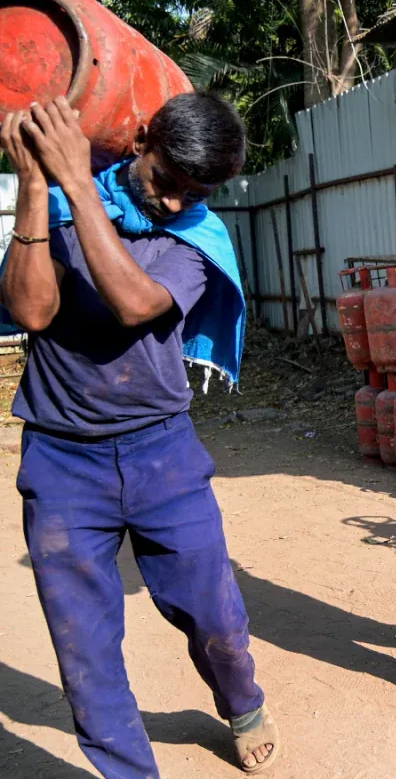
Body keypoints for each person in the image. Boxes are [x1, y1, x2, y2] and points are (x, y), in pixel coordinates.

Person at [0, 94, 278, 778]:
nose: (178, 203)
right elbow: (32, 308)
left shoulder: (194, 239)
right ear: (140, 139)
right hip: (62, 461)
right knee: (84, 649)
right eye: (166, 182)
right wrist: (38, 186)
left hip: (163, 453)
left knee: (214, 616)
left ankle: (240, 703)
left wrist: (74, 187)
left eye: (197, 192)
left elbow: (133, 304)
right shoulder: (61, 207)